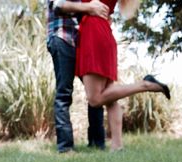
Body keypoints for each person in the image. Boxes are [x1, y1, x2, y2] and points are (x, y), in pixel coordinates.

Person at [76, 0, 171, 152]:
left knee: (95, 100)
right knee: (110, 96)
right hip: (104, 32)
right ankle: (117, 146)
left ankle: (145, 85)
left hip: (93, 33)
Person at [47, 0, 110, 153]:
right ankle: (66, 147)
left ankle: (97, 144)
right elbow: (59, 5)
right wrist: (90, 8)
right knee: (64, 93)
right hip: (63, 38)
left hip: (84, 41)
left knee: (95, 92)